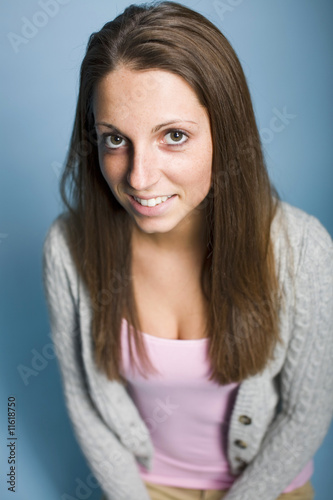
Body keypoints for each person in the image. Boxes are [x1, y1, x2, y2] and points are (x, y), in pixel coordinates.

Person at [42, 2, 333, 499]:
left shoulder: (303, 250)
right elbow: (84, 401)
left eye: (173, 137)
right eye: (115, 139)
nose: (138, 177)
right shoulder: (67, 249)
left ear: (227, 131)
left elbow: (305, 411)